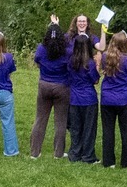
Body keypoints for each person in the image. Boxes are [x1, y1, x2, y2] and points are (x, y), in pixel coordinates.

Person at [98, 31, 127, 169]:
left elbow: (104, 68)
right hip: (123, 99)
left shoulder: (105, 57)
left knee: (108, 130)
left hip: (107, 99)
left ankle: (109, 161)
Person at [30, 18, 71, 159]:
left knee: (40, 119)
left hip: (44, 85)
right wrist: (57, 26)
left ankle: (35, 153)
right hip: (62, 86)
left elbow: (38, 62)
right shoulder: (66, 50)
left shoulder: (41, 49)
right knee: (60, 121)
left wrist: (54, 25)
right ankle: (58, 153)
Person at [66, 33, 100, 163]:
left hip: (74, 98)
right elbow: (95, 80)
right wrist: (98, 64)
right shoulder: (89, 63)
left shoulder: (71, 61)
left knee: (76, 128)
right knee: (89, 128)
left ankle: (75, 153)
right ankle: (88, 155)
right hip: (89, 98)